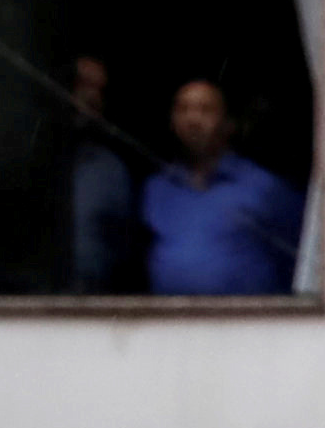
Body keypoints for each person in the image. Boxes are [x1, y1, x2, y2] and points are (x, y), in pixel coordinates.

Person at [139, 78, 304, 300]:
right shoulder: (156, 188)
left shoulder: (265, 187)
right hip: (171, 326)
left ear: (228, 124)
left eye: (205, 110)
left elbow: (298, 261)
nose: (193, 119)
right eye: (183, 109)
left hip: (246, 326)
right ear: (172, 121)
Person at [58, 58, 144, 295]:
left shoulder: (110, 169)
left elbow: (125, 253)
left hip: (92, 308)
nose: (91, 96)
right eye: (82, 84)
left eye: (99, 89)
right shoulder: (23, 159)